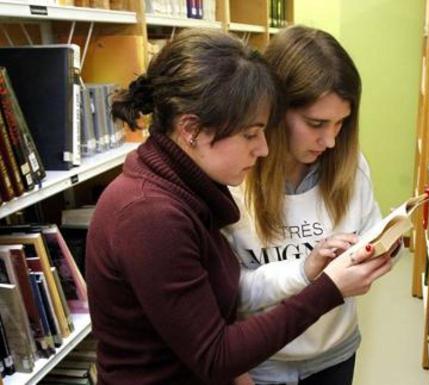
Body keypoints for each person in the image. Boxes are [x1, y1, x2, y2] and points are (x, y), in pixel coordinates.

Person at [85, 29, 392, 385]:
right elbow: (215, 354)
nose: (263, 148)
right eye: (250, 134)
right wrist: (327, 288)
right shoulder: (150, 215)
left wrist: (310, 270)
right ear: (192, 130)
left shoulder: (186, 189)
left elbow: (213, 309)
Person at [224, 26, 398, 385]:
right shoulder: (233, 176)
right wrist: (307, 271)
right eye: (316, 123)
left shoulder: (351, 165)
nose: (331, 141)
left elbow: (373, 227)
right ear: (272, 110)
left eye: (341, 123)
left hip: (336, 354)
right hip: (262, 363)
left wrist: (380, 251)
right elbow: (229, 293)